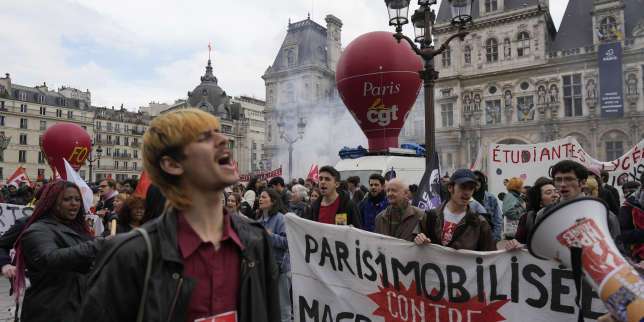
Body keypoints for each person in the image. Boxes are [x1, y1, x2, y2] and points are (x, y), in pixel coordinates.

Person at [79, 108, 280, 322]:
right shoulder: (130, 255)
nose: (223, 140)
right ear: (173, 164)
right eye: (205, 137)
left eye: (219, 132)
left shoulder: (256, 240)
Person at [13, 180, 103, 322]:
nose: (74, 203)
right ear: (52, 202)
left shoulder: (80, 230)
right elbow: (49, 258)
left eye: (77, 199)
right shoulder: (37, 230)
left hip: (78, 307)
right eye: (67, 199)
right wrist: (97, 245)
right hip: (50, 310)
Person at [414, 169, 496, 251]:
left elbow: (491, 256)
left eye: (471, 188)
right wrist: (419, 239)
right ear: (450, 187)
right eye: (463, 187)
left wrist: (508, 252)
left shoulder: (479, 223)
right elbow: (411, 246)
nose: (467, 192)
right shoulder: (430, 217)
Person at [546, 160, 621, 241]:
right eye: (558, 180)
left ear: (582, 182)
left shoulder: (604, 216)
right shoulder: (545, 214)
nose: (563, 184)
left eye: (569, 179)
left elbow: (617, 249)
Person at [256, 189, 291, 322]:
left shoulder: (281, 218)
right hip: (265, 268)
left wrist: (270, 236)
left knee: (283, 307)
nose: (260, 199)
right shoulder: (258, 219)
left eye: (264, 197)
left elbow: (287, 242)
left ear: (273, 201)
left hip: (280, 269)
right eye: (260, 197)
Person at [513, 177, 560, 244]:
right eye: (549, 193)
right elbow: (518, 242)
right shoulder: (527, 218)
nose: (555, 195)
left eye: (556, 191)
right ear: (540, 202)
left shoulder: (566, 214)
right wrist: (514, 244)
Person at [473, 171, 503, 241]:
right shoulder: (465, 197)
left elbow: (497, 220)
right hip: (470, 239)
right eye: (474, 180)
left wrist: (494, 239)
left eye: (479, 180)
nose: (476, 182)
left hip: (488, 237)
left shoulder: (490, 198)